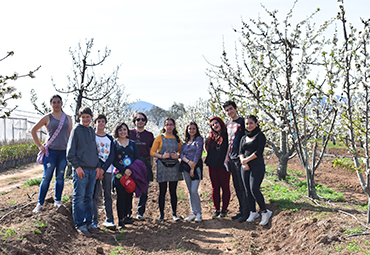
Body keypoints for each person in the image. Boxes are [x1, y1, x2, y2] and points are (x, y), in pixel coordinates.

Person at [31, 95, 73, 213]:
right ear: (51, 104)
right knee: (46, 177)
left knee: (60, 177)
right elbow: (33, 130)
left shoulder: (68, 118)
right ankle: (40, 203)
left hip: (63, 152)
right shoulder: (47, 117)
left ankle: (58, 201)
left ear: (62, 103)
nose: (56, 104)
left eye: (58, 102)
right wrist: (40, 146)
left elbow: (70, 136)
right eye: (54, 102)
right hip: (51, 152)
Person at [67, 107, 104, 236]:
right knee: (79, 198)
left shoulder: (91, 131)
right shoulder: (76, 130)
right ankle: (80, 224)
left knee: (89, 198)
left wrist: (98, 166)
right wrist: (77, 167)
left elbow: (95, 151)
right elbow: (70, 153)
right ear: (79, 118)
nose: (86, 119)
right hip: (81, 170)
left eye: (88, 117)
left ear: (91, 117)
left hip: (92, 170)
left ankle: (89, 223)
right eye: (83, 117)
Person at [239, 115, 272, 226]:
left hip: (257, 166)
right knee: (247, 189)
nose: (248, 126)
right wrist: (243, 163)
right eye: (247, 124)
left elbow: (258, 152)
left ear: (256, 123)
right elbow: (240, 151)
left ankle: (265, 212)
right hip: (245, 166)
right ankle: (253, 212)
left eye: (251, 123)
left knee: (254, 189)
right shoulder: (244, 137)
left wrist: (246, 161)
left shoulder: (260, 136)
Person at [150, 118, 183, 222]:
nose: (169, 126)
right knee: (162, 192)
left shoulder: (177, 139)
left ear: (174, 126)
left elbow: (181, 153)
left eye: (171, 124)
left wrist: (176, 156)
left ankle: (174, 213)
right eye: (167, 124)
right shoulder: (159, 138)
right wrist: (162, 156)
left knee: (173, 191)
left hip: (174, 167)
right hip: (162, 166)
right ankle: (161, 215)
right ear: (164, 126)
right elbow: (152, 152)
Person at [223, 100, 249, 222]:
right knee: (237, 185)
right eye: (227, 110)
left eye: (231, 109)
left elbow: (246, 139)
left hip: (240, 158)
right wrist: (227, 157)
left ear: (236, 108)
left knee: (243, 185)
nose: (229, 112)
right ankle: (241, 210)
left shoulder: (242, 122)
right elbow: (228, 141)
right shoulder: (228, 124)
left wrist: (244, 157)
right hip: (231, 158)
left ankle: (247, 211)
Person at [112, 122, 140, 230]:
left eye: (124, 129)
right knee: (121, 196)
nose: (122, 132)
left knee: (129, 196)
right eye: (120, 130)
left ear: (127, 131)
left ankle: (126, 216)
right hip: (119, 175)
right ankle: (120, 220)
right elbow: (113, 159)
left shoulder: (132, 144)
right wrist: (124, 170)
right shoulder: (114, 144)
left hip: (131, 174)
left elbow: (137, 158)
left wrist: (131, 170)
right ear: (117, 132)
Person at [129, 112, 154, 221]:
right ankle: (128, 213)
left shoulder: (149, 135)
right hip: (132, 164)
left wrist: (151, 164)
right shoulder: (129, 133)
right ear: (134, 121)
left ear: (145, 121)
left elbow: (151, 151)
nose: (140, 121)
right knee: (129, 188)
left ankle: (140, 212)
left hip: (145, 163)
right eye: (138, 119)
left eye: (142, 119)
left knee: (144, 189)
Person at [92, 114, 116, 230]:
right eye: (98, 121)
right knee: (94, 195)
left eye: (103, 121)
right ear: (95, 123)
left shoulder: (110, 138)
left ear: (105, 123)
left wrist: (103, 168)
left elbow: (111, 156)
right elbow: (92, 153)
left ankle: (109, 219)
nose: (101, 123)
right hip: (95, 169)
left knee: (107, 194)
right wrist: (98, 167)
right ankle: (94, 220)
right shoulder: (92, 136)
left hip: (107, 169)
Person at [204, 117, 230, 219]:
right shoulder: (210, 136)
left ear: (220, 123)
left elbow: (229, 147)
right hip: (212, 163)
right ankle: (216, 209)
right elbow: (205, 147)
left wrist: (226, 158)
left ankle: (224, 209)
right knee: (215, 187)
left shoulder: (226, 134)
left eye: (216, 123)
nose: (215, 125)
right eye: (213, 124)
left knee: (225, 187)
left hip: (223, 163)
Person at [180, 122, 204, 222]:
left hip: (196, 167)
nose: (192, 130)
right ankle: (193, 212)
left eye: (193, 128)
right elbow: (181, 154)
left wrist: (192, 167)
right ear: (187, 130)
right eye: (190, 129)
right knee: (190, 191)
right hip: (186, 167)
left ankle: (199, 213)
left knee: (194, 190)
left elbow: (198, 153)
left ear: (196, 129)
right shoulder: (185, 142)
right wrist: (188, 162)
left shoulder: (199, 139)